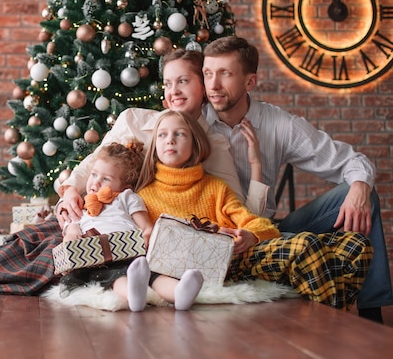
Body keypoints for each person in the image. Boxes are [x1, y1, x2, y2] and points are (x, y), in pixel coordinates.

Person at [201, 35, 393, 322]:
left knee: (360, 190)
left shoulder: (279, 124)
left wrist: (360, 188)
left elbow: (354, 161)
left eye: (225, 73)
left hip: (266, 231)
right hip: (220, 235)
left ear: (250, 82)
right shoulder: (194, 124)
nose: (213, 85)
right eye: (207, 74)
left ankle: (372, 313)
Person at [135, 110, 373, 310]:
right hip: (213, 271)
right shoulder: (144, 196)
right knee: (304, 246)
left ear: (195, 143)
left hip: (238, 256)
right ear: (154, 145)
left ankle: (331, 316)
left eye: (179, 133)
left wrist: (249, 235)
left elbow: (257, 224)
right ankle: (333, 332)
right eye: (163, 135)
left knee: (356, 246)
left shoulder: (214, 187)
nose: (170, 140)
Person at [57, 49, 268, 224]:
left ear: (204, 88)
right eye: (168, 84)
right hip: (95, 219)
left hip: (145, 234)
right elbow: (94, 164)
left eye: (183, 81)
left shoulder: (214, 144)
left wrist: (256, 165)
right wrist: (69, 193)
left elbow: (240, 213)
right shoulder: (133, 120)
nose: (173, 91)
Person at [59, 140, 204, 312]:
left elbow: (146, 226)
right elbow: (71, 232)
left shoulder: (126, 197)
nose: (96, 183)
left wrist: (147, 236)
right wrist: (71, 239)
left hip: (131, 251)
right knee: (115, 275)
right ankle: (134, 296)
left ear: (124, 186)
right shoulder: (81, 208)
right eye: (94, 175)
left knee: (154, 274)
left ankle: (180, 292)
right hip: (100, 258)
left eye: (106, 179)